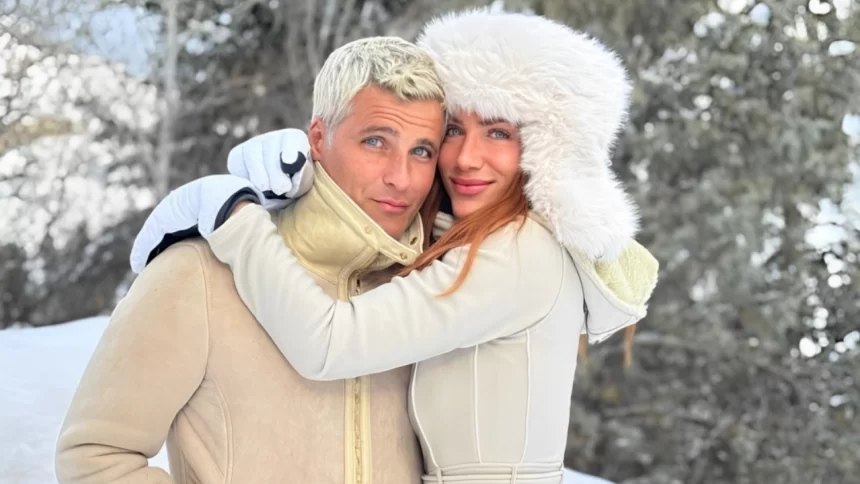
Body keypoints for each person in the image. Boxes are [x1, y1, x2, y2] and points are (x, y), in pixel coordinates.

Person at [132, 10, 659, 484]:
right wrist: (308, 176)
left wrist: (238, 218)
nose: (466, 159)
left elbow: (331, 344)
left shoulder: (518, 254)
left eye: (498, 132)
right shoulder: (469, 242)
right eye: (453, 130)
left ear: (547, 150)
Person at [55, 37, 447, 484]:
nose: (401, 177)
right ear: (318, 138)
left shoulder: (429, 286)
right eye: (376, 141)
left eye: (422, 151)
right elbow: (95, 457)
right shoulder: (200, 272)